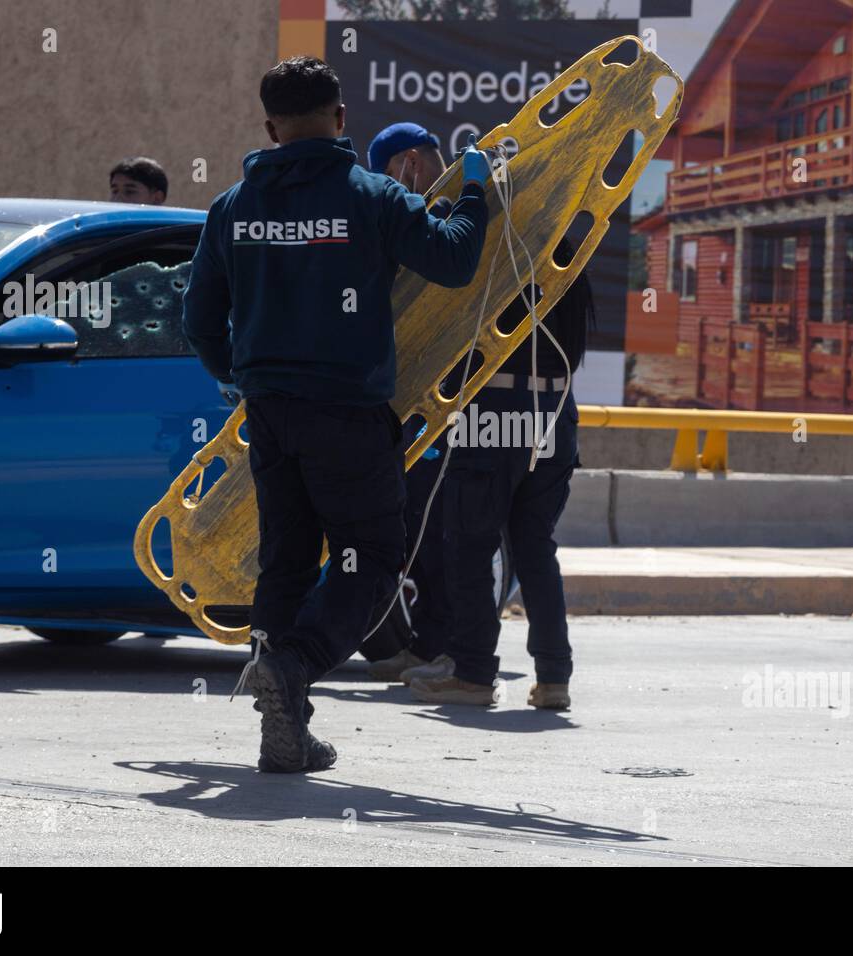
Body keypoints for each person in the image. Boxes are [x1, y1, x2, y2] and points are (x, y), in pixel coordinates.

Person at [181, 56, 491, 773]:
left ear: (270, 128)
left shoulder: (232, 207)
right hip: (348, 416)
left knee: (286, 563)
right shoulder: (371, 196)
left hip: (273, 417)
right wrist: (474, 190)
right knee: (372, 558)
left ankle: (282, 728)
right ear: (341, 119)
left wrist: (244, 378)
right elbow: (453, 259)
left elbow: (199, 321)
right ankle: (293, 665)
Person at [408, 238, 594, 712]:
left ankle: (471, 672)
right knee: (535, 549)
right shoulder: (570, 254)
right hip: (554, 412)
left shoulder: (499, 254)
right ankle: (554, 677)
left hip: (494, 410)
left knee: (470, 545)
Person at [362, 121, 455, 683]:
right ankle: (417, 646)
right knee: (411, 533)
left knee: (436, 534)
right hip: (412, 412)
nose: (390, 186)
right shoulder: (415, 222)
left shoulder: (448, 222)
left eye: (392, 173)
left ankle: (443, 650)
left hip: (441, 411)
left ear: (412, 164)